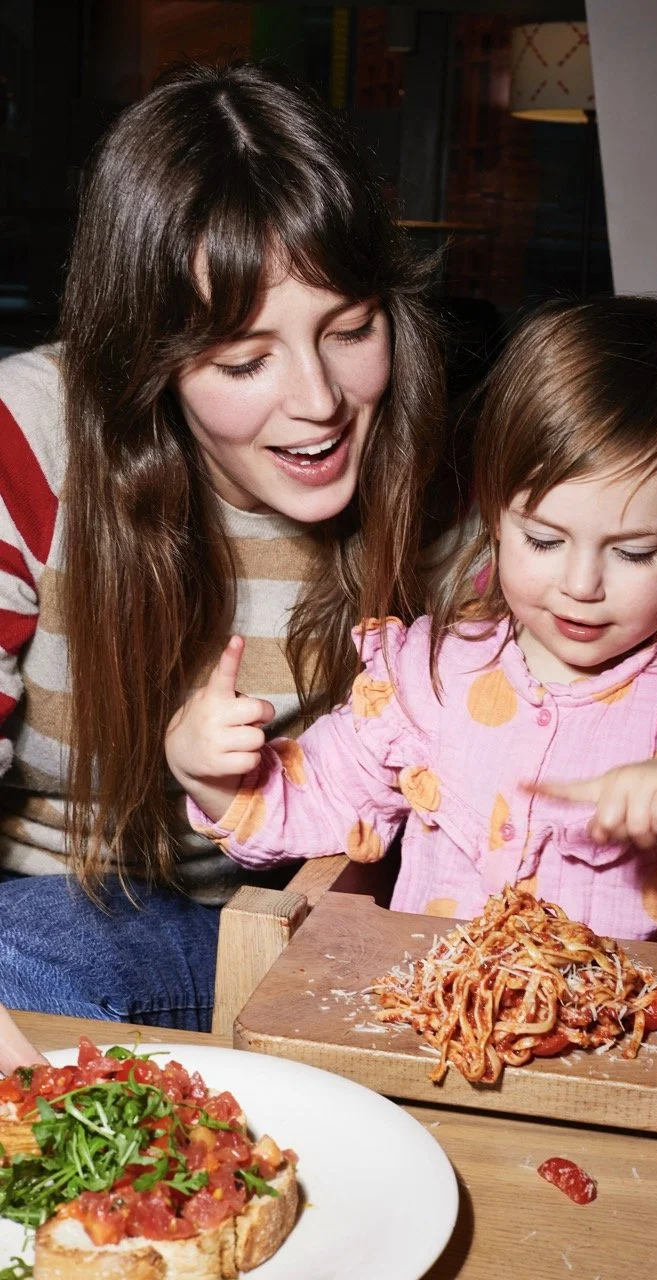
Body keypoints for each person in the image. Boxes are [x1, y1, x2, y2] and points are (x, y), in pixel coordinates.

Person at [167, 295, 657, 952]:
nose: (581, 586)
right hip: (442, 1044)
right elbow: (314, 799)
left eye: (634, 551)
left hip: (651, 1059)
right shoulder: (429, 678)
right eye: (544, 541)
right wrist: (216, 776)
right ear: (495, 515)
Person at [0, 61, 445, 1031]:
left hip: (295, 927)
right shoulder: (25, 435)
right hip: (49, 926)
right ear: (146, 358)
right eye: (246, 358)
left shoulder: (437, 477)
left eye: (350, 328)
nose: (320, 401)